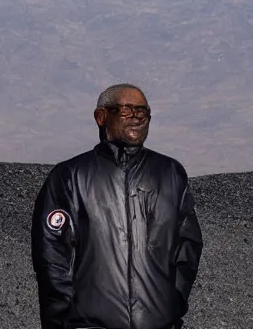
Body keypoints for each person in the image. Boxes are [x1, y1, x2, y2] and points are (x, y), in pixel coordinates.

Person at [31, 83, 204, 329]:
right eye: (126, 110)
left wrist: (172, 302)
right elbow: (51, 256)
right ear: (101, 116)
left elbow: (188, 246)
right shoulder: (70, 176)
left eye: (142, 111)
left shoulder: (170, 174)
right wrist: (61, 321)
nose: (136, 117)